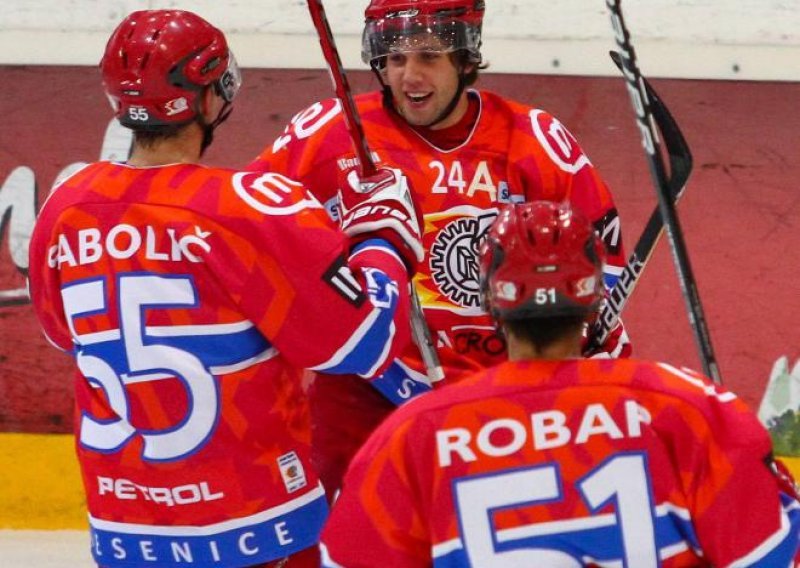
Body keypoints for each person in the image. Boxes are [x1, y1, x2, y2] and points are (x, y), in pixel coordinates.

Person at [26, 10, 423, 568]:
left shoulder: (65, 207)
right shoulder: (246, 207)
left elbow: (64, 335)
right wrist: (383, 239)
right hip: (259, 528)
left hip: (125, 532)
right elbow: (361, 344)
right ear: (211, 96)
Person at [248, 0, 631, 496]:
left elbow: (602, 264)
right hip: (373, 385)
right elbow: (248, 225)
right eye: (395, 57)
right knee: (345, 531)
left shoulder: (533, 140)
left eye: (429, 55)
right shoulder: (330, 133)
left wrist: (582, 356)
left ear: (465, 58)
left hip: (504, 393)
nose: (409, 75)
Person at [320, 200, 800, 567]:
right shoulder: (688, 405)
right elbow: (769, 555)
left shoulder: (411, 435)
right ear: (593, 297)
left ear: (491, 301)